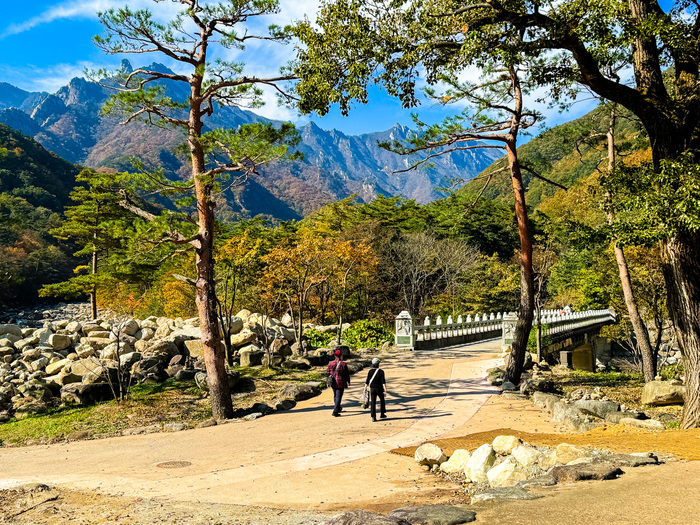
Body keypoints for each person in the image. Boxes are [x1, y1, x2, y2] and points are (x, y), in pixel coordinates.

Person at [326, 349, 350, 417]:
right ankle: (335, 411)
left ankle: (338, 408)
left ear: (335, 356)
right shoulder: (343, 364)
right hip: (341, 382)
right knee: (338, 396)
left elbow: (328, 373)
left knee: (335, 395)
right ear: (340, 356)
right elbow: (346, 374)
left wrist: (328, 380)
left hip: (333, 382)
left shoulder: (330, 363)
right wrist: (348, 381)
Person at [364, 357, 387, 422]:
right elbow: (383, 381)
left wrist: (365, 389)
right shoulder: (381, 371)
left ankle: (373, 416)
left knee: (373, 402)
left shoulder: (370, 371)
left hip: (372, 388)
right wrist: (385, 389)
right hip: (379, 389)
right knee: (382, 400)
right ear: (378, 364)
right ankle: (382, 413)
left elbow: (367, 381)